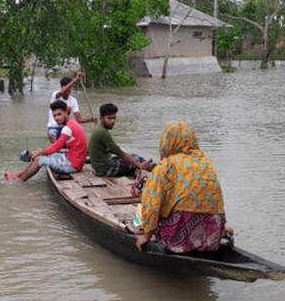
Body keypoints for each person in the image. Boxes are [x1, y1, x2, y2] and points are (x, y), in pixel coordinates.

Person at [135, 121, 231, 253]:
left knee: (151, 199)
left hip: (180, 237)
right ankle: (220, 231)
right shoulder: (205, 160)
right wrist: (222, 226)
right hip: (212, 234)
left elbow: (153, 202)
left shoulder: (167, 165)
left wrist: (145, 236)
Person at [5, 100, 88, 182]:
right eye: (54, 116)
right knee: (40, 155)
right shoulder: (72, 124)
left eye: (59, 114)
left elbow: (56, 147)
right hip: (72, 160)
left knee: (39, 159)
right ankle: (18, 175)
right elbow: (58, 146)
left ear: (66, 112)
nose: (57, 118)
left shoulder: (67, 128)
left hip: (73, 165)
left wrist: (39, 153)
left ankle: (19, 180)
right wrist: (39, 153)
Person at [89, 103, 154, 177]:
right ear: (101, 118)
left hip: (101, 166)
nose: (113, 121)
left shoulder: (99, 129)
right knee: (136, 161)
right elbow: (118, 152)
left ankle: (147, 166)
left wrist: (129, 156)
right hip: (104, 169)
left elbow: (113, 150)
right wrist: (138, 165)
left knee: (134, 157)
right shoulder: (102, 132)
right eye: (109, 118)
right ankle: (149, 168)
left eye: (114, 118)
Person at [47, 72, 95, 141]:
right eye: (66, 88)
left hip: (65, 128)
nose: (68, 90)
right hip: (53, 127)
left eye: (70, 88)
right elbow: (63, 92)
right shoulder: (55, 96)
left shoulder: (73, 101)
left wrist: (90, 119)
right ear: (61, 87)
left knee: (76, 141)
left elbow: (79, 120)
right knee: (56, 144)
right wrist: (75, 79)